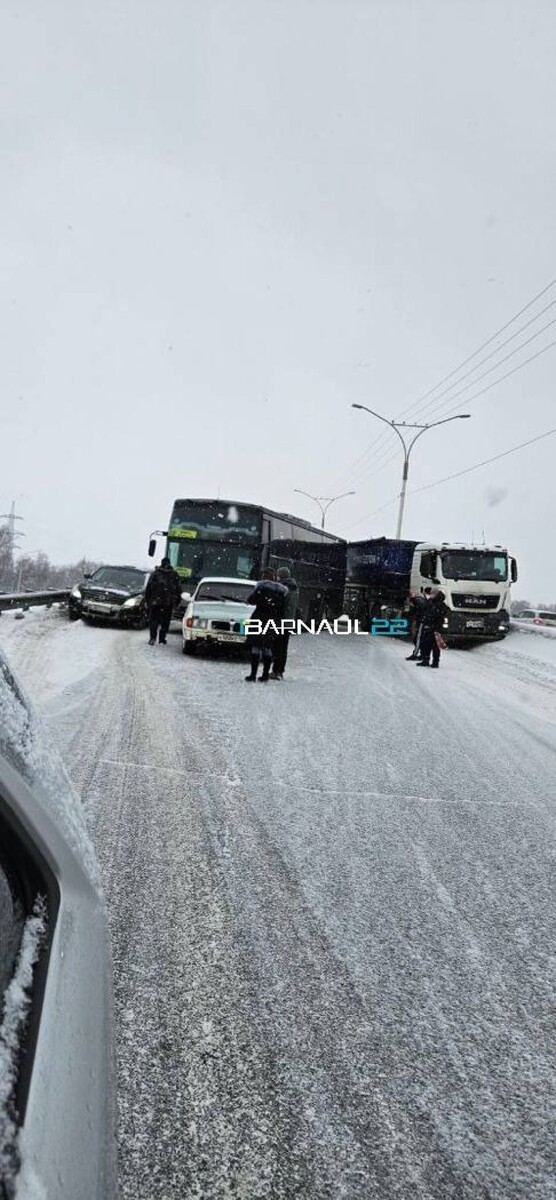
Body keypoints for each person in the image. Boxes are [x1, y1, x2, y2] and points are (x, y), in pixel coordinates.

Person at [244, 568, 287, 682]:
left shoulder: (261, 589)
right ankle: (265, 675)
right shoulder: (280, 592)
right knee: (267, 648)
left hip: (258, 620)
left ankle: (253, 674)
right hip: (272, 623)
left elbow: (251, 600)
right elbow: (282, 610)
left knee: (256, 647)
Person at [145, 557, 182, 645]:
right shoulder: (174, 575)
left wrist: (148, 601)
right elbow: (179, 590)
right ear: (169, 564)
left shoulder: (155, 574)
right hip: (168, 603)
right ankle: (162, 638)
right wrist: (176, 602)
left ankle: (152, 638)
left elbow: (148, 589)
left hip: (155, 602)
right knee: (165, 622)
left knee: (153, 621)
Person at [271, 566, 299, 679]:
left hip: (280, 622)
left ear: (280, 576)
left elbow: (279, 605)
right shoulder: (294, 588)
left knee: (277, 648)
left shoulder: (283, 588)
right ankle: (280, 671)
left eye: (278, 575)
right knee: (283, 648)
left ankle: (276, 671)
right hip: (288, 622)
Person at [415, 588, 449, 668]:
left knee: (435, 646)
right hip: (429, 626)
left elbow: (440, 616)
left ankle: (435, 662)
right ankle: (426, 660)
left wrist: (436, 627)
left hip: (435, 628)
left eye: (433, 594)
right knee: (426, 644)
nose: (431, 595)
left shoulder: (440, 604)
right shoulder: (431, 602)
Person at [406, 587, 432, 660]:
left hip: (422, 621)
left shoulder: (424, 600)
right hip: (426, 621)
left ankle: (416, 654)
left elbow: (421, 605)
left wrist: (413, 598)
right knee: (422, 638)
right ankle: (423, 654)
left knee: (418, 638)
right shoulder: (429, 600)